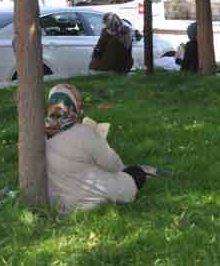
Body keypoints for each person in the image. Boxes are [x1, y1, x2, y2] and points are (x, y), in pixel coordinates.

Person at [45, 84, 159, 213]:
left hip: (58, 201)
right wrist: (101, 142)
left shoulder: (39, 136)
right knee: (136, 173)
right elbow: (114, 166)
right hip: (87, 199)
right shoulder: (84, 132)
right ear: (73, 106)